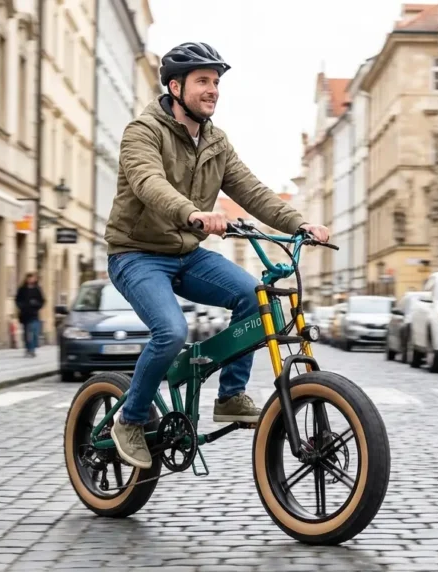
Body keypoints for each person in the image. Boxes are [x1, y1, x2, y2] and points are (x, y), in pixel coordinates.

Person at [103, 41, 331, 470]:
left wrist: (299, 223)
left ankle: (230, 394)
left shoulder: (215, 141)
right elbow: (148, 182)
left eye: (216, 82)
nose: (213, 90)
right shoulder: (142, 131)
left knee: (254, 295)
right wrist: (191, 212)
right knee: (170, 332)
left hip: (188, 254)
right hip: (136, 254)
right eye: (203, 81)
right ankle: (130, 421)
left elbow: (252, 190)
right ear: (175, 86)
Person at [15, 272, 45, 357]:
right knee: (27, 333)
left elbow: (42, 300)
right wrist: (21, 306)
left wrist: (36, 304)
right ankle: (29, 349)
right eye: (29, 278)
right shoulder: (22, 289)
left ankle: (32, 347)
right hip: (25, 314)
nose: (31, 280)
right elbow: (17, 300)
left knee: (35, 332)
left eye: (32, 278)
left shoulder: (37, 289)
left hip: (34, 314)